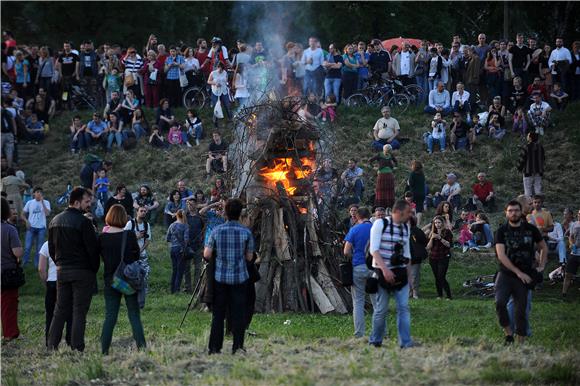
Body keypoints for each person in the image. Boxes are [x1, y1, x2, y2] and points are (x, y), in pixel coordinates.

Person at [47, 187, 100, 351]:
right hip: (82, 271)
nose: (89, 204)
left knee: (60, 309)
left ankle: (51, 345)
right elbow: (92, 249)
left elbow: (51, 249)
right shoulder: (84, 222)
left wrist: (59, 263)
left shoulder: (54, 220)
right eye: (86, 201)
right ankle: (77, 347)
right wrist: (93, 269)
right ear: (76, 202)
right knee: (79, 310)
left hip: (62, 270)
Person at [204, 198, 255, 355]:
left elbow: (207, 254)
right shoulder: (246, 232)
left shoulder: (216, 231)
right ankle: (237, 347)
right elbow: (249, 257)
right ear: (240, 213)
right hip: (239, 279)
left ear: (225, 213)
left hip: (220, 278)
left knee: (218, 315)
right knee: (238, 313)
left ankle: (214, 348)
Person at [495, 200, 547, 344]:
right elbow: (501, 255)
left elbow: (543, 247)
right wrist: (518, 272)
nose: (513, 213)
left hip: (526, 275)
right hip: (505, 274)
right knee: (500, 303)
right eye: (510, 210)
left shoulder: (531, 229)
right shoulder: (501, 231)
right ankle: (508, 334)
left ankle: (521, 343)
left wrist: (541, 266)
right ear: (506, 212)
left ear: (521, 212)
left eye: (516, 210)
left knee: (521, 311)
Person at [99, 204, 146, 355]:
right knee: (133, 314)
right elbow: (136, 256)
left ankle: (104, 350)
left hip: (111, 280)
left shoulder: (102, 238)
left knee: (110, 316)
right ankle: (142, 348)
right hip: (128, 281)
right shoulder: (129, 235)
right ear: (123, 217)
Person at [368, 200, 414, 348]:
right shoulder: (380, 224)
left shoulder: (406, 228)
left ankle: (405, 343)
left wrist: (410, 278)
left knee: (404, 308)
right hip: (382, 272)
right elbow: (374, 250)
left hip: (400, 273)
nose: (410, 215)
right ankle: (375, 340)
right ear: (400, 212)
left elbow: (407, 256)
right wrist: (385, 270)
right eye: (408, 212)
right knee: (381, 309)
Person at [343, 207, 373, 338]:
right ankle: (380, 332)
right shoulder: (376, 228)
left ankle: (359, 334)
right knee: (377, 301)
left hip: (358, 266)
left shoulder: (354, 229)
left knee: (358, 302)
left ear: (358, 217)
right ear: (369, 215)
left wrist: (353, 256)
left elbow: (346, 251)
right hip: (374, 267)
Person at [1, 197, 23, 342]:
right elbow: (18, 252)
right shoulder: (9, 229)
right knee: (9, 304)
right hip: (6, 272)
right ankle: (10, 333)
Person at [21, 187, 51, 267]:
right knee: (27, 247)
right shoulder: (30, 203)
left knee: (39, 248)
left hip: (41, 228)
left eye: (40, 192)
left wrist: (42, 203)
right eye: (37, 192)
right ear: (34, 193)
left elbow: (47, 214)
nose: (39, 193)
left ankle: (37, 264)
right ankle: (25, 263)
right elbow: (22, 214)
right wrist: (26, 221)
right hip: (31, 227)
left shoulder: (46, 202)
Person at [125, 205, 152, 289]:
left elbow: (148, 240)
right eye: (141, 211)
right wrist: (136, 237)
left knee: (145, 272)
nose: (143, 213)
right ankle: (130, 289)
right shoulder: (130, 223)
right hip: (131, 253)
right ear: (137, 212)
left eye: (145, 211)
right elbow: (124, 237)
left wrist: (141, 250)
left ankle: (144, 290)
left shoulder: (146, 225)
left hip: (142, 253)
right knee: (131, 273)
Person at [427, 215, 453, 299]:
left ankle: (449, 296)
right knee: (436, 277)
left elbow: (449, 244)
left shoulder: (447, 232)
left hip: (443, 257)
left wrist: (440, 238)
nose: (437, 224)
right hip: (433, 257)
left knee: (441, 276)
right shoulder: (432, 232)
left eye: (438, 222)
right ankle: (440, 295)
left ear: (442, 223)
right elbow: (428, 247)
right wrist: (432, 238)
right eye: (435, 223)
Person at [166, 209, 189, 294]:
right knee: (180, 270)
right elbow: (186, 240)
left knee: (174, 269)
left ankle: (172, 289)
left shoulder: (172, 225)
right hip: (180, 249)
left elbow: (167, 238)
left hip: (172, 249)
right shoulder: (185, 225)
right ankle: (177, 290)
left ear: (177, 215)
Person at [185, 198, 205, 293]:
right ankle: (187, 288)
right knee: (187, 267)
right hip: (187, 245)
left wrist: (203, 241)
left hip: (198, 245)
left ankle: (196, 288)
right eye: (189, 204)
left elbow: (204, 229)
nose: (190, 206)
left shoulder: (200, 216)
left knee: (198, 267)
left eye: (192, 204)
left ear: (196, 205)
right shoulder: (185, 216)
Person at [369, 144, 398, 210]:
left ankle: (389, 205)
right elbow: (370, 160)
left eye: (389, 150)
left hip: (389, 175)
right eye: (387, 150)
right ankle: (380, 205)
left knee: (389, 190)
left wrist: (394, 167)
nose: (388, 151)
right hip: (381, 175)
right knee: (381, 189)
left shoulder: (390, 155)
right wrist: (374, 167)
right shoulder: (380, 155)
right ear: (384, 149)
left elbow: (396, 161)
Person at [517, 132, 545, 197]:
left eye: (528, 135)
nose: (527, 137)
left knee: (528, 190)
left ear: (530, 138)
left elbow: (522, 159)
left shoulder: (526, 147)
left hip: (528, 171)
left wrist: (519, 168)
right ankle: (538, 204)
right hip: (538, 171)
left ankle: (529, 205)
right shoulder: (541, 147)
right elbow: (543, 159)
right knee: (538, 189)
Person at [409, 215, 428, 299]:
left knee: (414, 275)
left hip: (415, 257)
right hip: (404, 257)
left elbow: (424, 241)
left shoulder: (417, 231)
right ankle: (409, 292)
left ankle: (415, 292)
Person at [207, 62, 231, 128]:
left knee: (227, 105)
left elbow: (226, 80)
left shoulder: (225, 72)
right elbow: (208, 81)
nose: (221, 70)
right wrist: (215, 83)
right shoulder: (213, 73)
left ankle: (230, 119)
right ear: (217, 67)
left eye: (222, 68)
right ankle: (215, 123)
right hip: (215, 92)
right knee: (216, 107)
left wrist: (225, 82)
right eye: (219, 68)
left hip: (224, 91)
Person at [563, 219, 580, 297]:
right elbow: (570, 237)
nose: (579, 216)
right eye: (579, 214)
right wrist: (572, 244)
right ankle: (564, 293)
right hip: (574, 253)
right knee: (567, 274)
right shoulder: (574, 224)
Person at [407, 160, 426, 225]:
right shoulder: (422, 174)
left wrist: (408, 182)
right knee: (419, 208)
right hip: (422, 193)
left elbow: (411, 184)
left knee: (412, 207)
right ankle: (418, 224)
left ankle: (411, 222)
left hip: (414, 193)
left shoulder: (412, 174)